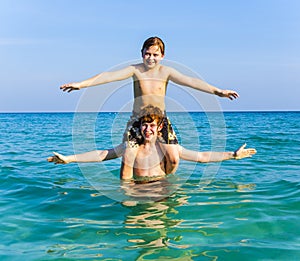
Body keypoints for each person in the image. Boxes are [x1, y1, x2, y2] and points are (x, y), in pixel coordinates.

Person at [58, 36, 239, 174]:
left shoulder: (166, 71)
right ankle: (129, 189)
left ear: (162, 56)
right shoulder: (135, 70)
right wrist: (80, 84)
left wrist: (218, 91)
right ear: (142, 53)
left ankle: (163, 184)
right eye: (148, 54)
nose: (151, 58)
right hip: (138, 121)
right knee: (126, 154)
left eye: (155, 55)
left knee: (174, 158)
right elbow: (107, 76)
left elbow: (191, 81)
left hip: (160, 122)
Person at [48, 105, 257, 184]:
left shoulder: (166, 149)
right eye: (144, 125)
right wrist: (70, 159)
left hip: (161, 190)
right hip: (136, 189)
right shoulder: (132, 147)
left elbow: (201, 157)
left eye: (152, 126)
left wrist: (232, 155)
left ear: (159, 129)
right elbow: (103, 154)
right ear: (139, 128)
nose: (148, 129)